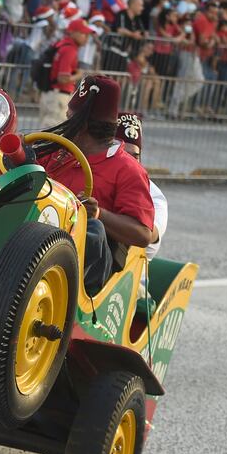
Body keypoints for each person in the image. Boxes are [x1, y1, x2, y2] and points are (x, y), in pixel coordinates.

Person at [37, 77, 155, 293]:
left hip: (86, 267)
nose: (65, 120)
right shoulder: (55, 151)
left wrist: (98, 213)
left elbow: (143, 234)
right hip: (36, 242)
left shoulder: (128, 169)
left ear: (81, 124)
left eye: (70, 117)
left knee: (94, 228)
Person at [115, 112, 166, 261]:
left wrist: (99, 214)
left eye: (134, 156)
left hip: (131, 275)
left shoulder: (155, 195)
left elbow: (148, 234)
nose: (129, 162)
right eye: (123, 154)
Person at [39, 18, 96, 125]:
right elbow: (63, 79)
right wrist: (79, 75)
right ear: (73, 33)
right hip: (58, 97)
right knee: (53, 136)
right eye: (83, 34)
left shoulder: (61, 44)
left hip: (51, 95)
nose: (87, 38)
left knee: (43, 134)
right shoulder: (70, 50)